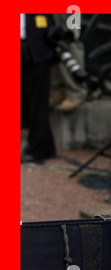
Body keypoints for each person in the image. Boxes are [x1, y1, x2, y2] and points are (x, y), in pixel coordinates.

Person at [21, 14, 57, 163]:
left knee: (37, 104)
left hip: (36, 54)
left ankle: (37, 151)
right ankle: (47, 146)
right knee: (26, 104)